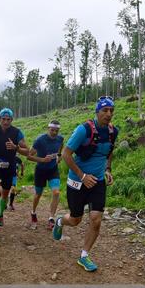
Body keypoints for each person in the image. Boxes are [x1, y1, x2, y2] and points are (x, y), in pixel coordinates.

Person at [52, 96, 118, 272]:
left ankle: (84, 256)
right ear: (97, 111)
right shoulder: (83, 130)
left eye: (111, 111)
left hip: (98, 181)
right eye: (105, 110)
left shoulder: (113, 132)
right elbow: (66, 154)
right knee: (75, 220)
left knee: (96, 220)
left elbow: (109, 151)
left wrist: (108, 169)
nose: (109, 114)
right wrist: (82, 176)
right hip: (77, 181)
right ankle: (60, 221)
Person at [0, 108, 28, 231]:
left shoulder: (17, 133)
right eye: (3, 119)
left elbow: (27, 151)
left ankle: (0, 213)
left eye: (8, 119)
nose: (6, 122)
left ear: (12, 120)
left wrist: (16, 147)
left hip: (9, 168)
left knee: (4, 195)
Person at [26, 120, 64, 229]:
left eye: (56, 131)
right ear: (48, 129)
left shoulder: (60, 138)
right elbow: (29, 156)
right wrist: (42, 160)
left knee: (56, 192)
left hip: (53, 170)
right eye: (52, 130)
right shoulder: (40, 140)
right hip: (40, 171)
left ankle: (51, 218)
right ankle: (33, 212)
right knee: (38, 194)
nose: (54, 133)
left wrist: (59, 156)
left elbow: (61, 146)